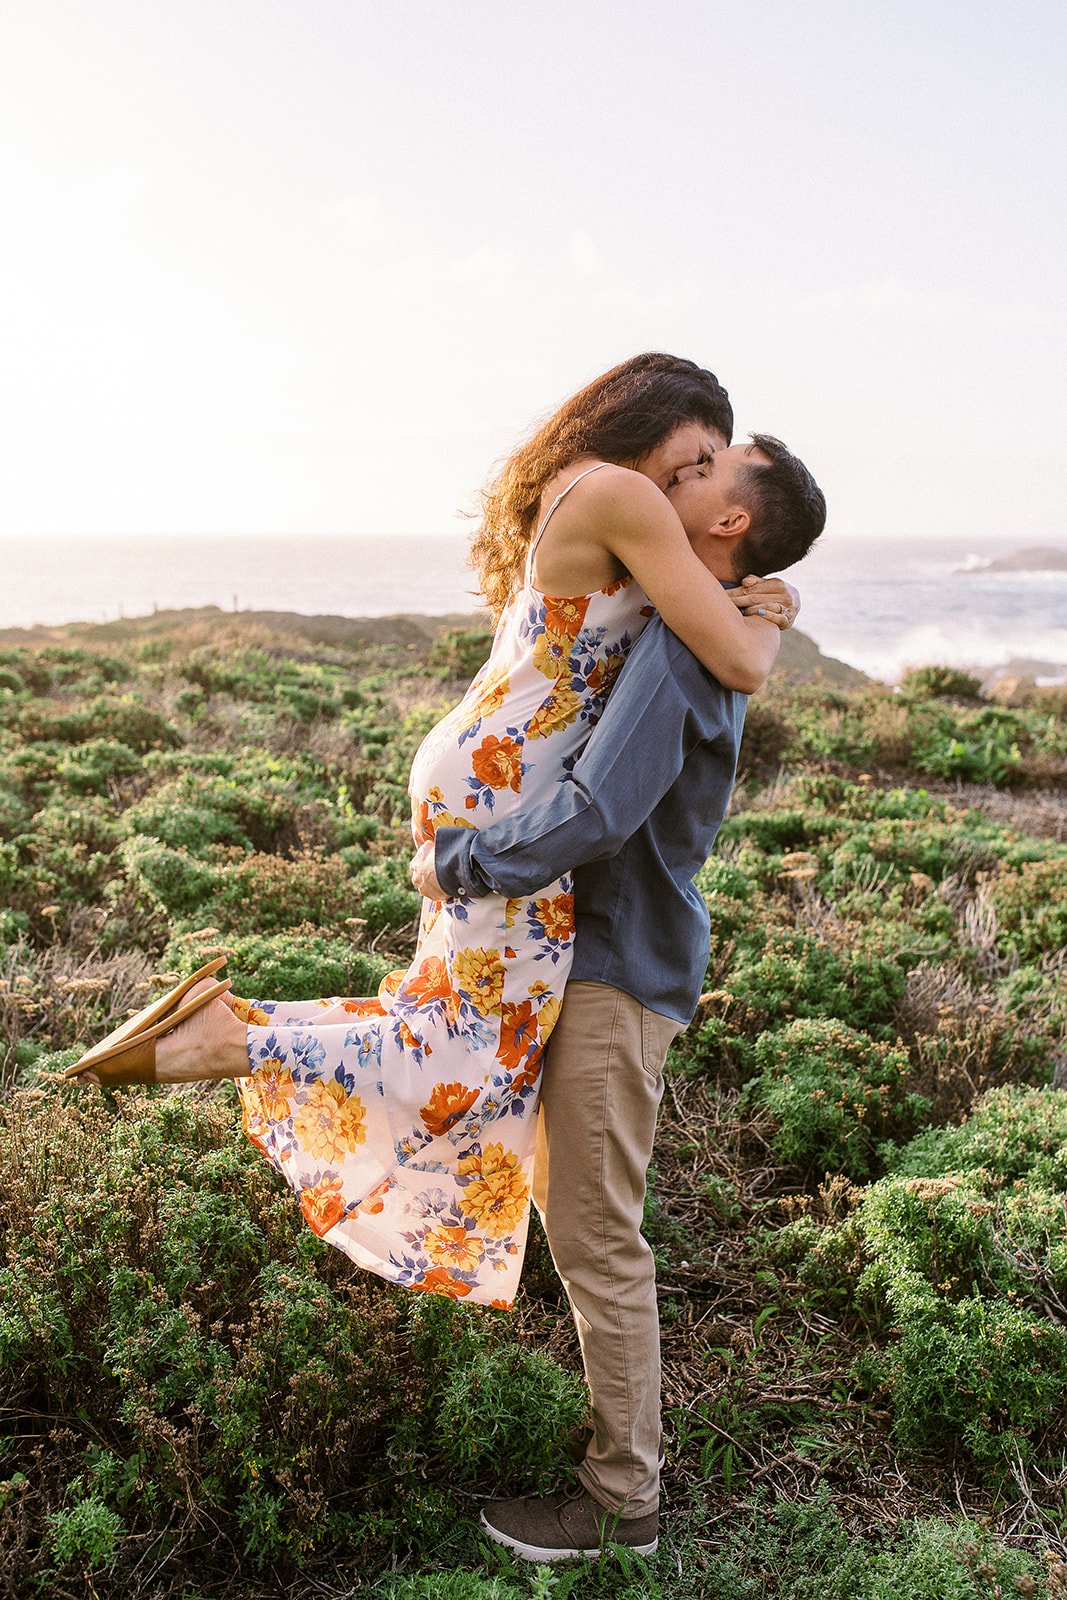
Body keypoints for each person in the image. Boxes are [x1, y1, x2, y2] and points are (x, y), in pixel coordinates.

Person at [65, 354, 798, 1315]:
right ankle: (229, 1042)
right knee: (471, 1051)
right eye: (697, 452)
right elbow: (736, 660)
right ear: (649, 422)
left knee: (449, 1017)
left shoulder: (592, 493)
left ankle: (247, 1028)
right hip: (515, 797)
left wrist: (761, 591)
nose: (695, 478)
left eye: (712, 467)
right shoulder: (623, 492)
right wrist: (773, 611)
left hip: (487, 775)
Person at [410, 434, 826, 1562]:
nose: (674, 480)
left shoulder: (691, 650)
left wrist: (460, 863)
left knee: (596, 1237)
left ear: (730, 523)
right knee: (575, 1216)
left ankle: (620, 1503)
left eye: (704, 472)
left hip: (612, 964)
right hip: (587, 956)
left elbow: (600, 811)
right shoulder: (697, 625)